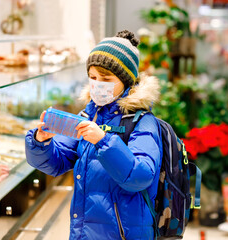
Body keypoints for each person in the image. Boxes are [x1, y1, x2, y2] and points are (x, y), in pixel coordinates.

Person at [25, 30, 162, 240]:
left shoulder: (142, 122)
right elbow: (55, 163)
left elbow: (140, 176)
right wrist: (41, 141)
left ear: (126, 81)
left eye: (106, 78)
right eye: (92, 77)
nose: (97, 84)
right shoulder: (89, 116)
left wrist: (104, 141)